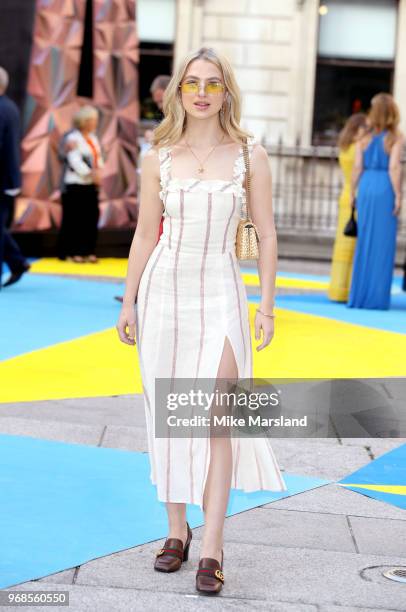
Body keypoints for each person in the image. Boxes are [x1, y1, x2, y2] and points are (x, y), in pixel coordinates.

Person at [115, 46, 287, 595]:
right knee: (169, 411)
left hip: (221, 292)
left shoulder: (249, 154)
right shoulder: (157, 155)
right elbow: (146, 233)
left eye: (213, 83)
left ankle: (212, 545)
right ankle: (175, 530)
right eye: (193, 83)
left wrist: (267, 304)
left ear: (227, 92)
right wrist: (128, 300)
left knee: (219, 415)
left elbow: (264, 233)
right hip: (164, 291)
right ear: (179, 92)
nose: (203, 92)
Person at [348, 93, 404, 310]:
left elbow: (357, 167)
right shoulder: (395, 137)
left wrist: (353, 191)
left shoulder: (364, 137)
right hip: (384, 189)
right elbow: (394, 168)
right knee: (383, 244)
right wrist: (399, 195)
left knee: (365, 241)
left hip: (367, 186)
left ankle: (360, 296)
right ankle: (377, 298)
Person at [56, 105, 104, 263]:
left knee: (91, 218)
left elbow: (98, 157)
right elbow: (74, 160)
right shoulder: (72, 138)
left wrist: (99, 172)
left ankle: (88, 250)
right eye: (93, 120)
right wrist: (91, 174)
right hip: (75, 184)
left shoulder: (93, 137)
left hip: (91, 185)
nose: (96, 123)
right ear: (85, 121)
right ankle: (73, 251)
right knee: (75, 219)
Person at [327, 113, 367, 301]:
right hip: (356, 197)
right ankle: (348, 288)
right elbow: (359, 170)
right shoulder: (359, 148)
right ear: (357, 129)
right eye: (364, 128)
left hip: (345, 195)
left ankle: (337, 288)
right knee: (353, 245)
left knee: (342, 245)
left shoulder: (344, 147)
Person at [0, 66, 31, 289]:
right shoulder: (9, 107)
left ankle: (17, 262)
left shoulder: (3, 108)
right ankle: (17, 261)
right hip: (6, 179)